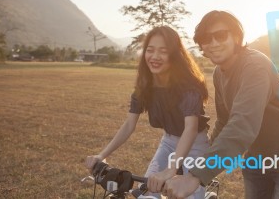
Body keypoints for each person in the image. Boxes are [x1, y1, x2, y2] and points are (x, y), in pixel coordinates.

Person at [163, 10, 279, 199]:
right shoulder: (219, 73)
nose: (214, 43)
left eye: (220, 35)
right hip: (257, 155)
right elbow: (224, 121)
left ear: (236, 36)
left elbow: (242, 126)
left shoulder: (254, 66)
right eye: (206, 38)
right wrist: (201, 158)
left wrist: (195, 176)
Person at [85, 26, 210, 199]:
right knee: (148, 191)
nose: (155, 57)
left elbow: (190, 129)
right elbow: (129, 125)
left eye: (163, 51)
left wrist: (171, 169)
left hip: (196, 144)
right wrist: (101, 155)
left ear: (174, 55)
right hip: (169, 141)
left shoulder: (189, 87)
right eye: (150, 50)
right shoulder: (145, 86)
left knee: (189, 194)